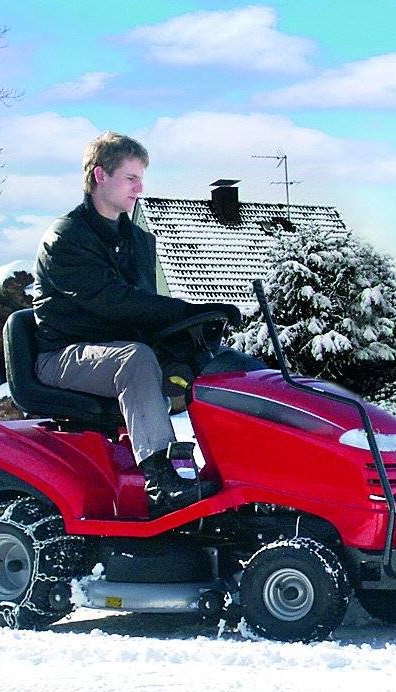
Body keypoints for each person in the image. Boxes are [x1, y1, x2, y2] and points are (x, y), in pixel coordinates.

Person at [32, 132, 238, 516]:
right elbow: (114, 304)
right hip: (63, 355)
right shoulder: (67, 239)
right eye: (131, 178)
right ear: (100, 176)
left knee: (216, 361)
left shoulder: (136, 240)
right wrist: (185, 310)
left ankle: (239, 464)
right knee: (136, 360)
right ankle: (161, 478)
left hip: (114, 347)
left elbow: (142, 309)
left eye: (142, 178)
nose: (140, 188)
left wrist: (193, 335)